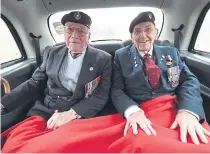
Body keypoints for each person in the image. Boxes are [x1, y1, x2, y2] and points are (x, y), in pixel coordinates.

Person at [1, 11, 112, 152]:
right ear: (64, 32)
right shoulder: (52, 52)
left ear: (89, 36)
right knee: (16, 146)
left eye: (81, 31)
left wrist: (71, 113)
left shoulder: (103, 59)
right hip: (45, 111)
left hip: (78, 114)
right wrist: (3, 104)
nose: (74, 35)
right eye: (70, 29)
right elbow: (34, 83)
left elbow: (101, 95)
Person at [110, 11, 210, 152]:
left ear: (156, 32)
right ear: (132, 37)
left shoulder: (171, 52)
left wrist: (188, 110)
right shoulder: (121, 56)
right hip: (142, 112)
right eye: (137, 31)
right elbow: (116, 89)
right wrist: (132, 111)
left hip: (175, 110)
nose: (143, 36)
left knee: (200, 144)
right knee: (143, 145)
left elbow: (189, 80)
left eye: (148, 29)